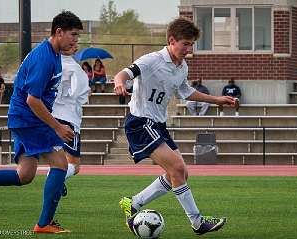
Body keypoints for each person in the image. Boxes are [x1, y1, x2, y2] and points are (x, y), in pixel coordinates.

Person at [114, 17, 237, 235]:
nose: (189, 49)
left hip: (159, 125)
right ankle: (198, 222)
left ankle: (134, 203)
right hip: (140, 122)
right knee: (177, 169)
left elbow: (186, 92)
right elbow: (125, 73)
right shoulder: (152, 60)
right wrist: (119, 83)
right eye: (185, 44)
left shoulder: (182, 66)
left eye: (191, 45)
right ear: (172, 40)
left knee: (180, 174)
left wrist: (217, 100)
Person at [0, 11, 83, 234]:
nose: (76, 40)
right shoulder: (44, 58)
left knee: (25, 175)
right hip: (29, 119)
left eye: (77, 36)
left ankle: (44, 223)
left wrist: (69, 50)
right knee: (61, 164)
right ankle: (44, 224)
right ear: (58, 32)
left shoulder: (52, 53)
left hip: (23, 118)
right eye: (73, 35)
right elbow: (33, 100)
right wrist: (57, 127)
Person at [51, 45, 91, 197]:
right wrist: (86, 91)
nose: (75, 47)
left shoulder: (50, 64)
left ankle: (56, 180)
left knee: (56, 159)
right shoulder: (74, 68)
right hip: (68, 118)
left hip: (50, 116)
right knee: (74, 164)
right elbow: (78, 95)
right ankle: (55, 179)